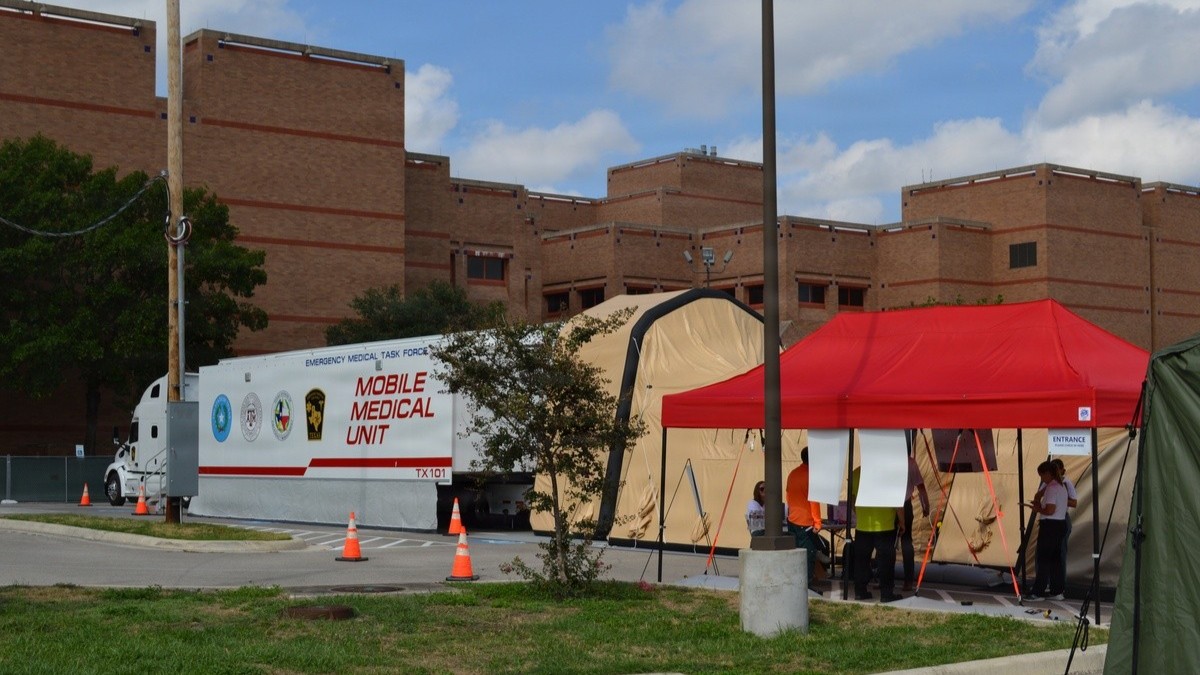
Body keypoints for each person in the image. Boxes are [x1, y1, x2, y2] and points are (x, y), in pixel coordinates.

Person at [850, 466, 905, 602]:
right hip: (885, 525)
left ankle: (860, 591)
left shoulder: (855, 473)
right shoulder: (889, 473)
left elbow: (851, 499)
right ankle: (886, 594)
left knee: (861, 561)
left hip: (862, 526)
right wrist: (902, 522)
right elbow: (898, 503)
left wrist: (858, 514)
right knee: (886, 562)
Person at [1027, 460, 1068, 600]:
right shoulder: (1062, 486)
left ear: (1048, 474)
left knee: (1043, 559)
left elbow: (1050, 510)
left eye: (1042, 475)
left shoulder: (1051, 488)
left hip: (1050, 525)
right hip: (1060, 524)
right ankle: (1057, 590)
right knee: (1055, 560)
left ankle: (1038, 591)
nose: (1041, 479)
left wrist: (1037, 508)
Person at [786, 447, 823, 587]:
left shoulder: (792, 474)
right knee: (808, 556)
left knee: (795, 555)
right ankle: (806, 588)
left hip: (792, 520)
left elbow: (788, 496)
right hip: (806, 523)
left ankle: (795, 584)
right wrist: (817, 523)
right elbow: (814, 501)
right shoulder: (811, 476)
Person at [900, 454, 930, 591]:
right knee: (906, 541)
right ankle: (908, 581)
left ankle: (883, 578)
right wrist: (925, 505)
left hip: (889, 506)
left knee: (886, 542)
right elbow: (921, 486)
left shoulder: (887, 458)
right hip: (905, 505)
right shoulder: (910, 462)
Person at [1051, 458, 1077, 590]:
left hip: (1062, 519)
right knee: (1050, 554)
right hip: (1050, 520)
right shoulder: (1049, 483)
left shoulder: (1066, 483)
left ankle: (1060, 587)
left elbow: (1074, 503)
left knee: (1060, 553)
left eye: (1056, 470)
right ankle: (1051, 583)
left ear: (1062, 470)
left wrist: (1060, 498)